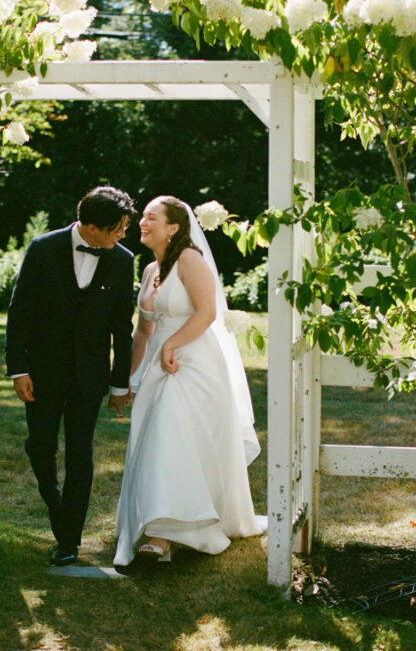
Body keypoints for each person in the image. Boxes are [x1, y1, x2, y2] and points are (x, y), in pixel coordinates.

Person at [113, 196, 262, 566]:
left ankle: (162, 535)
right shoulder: (150, 270)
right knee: (157, 439)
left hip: (193, 362)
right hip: (158, 363)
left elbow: (207, 312)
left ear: (174, 227)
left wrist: (174, 345)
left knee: (168, 429)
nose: (142, 223)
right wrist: (128, 377)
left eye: (151, 218)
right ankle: (164, 521)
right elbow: (144, 331)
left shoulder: (190, 260)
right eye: (143, 217)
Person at [6, 186, 138, 566]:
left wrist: (118, 383)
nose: (123, 236)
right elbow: (19, 313)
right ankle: (58, 506)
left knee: (81, 455)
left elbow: (120, 327)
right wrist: (19, 369)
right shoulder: (42, 248)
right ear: (91, 226)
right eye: (117, 229)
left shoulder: (122, 259)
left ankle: (69, 539)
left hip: (89, 377)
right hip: (41, 374)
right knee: (41, 446)